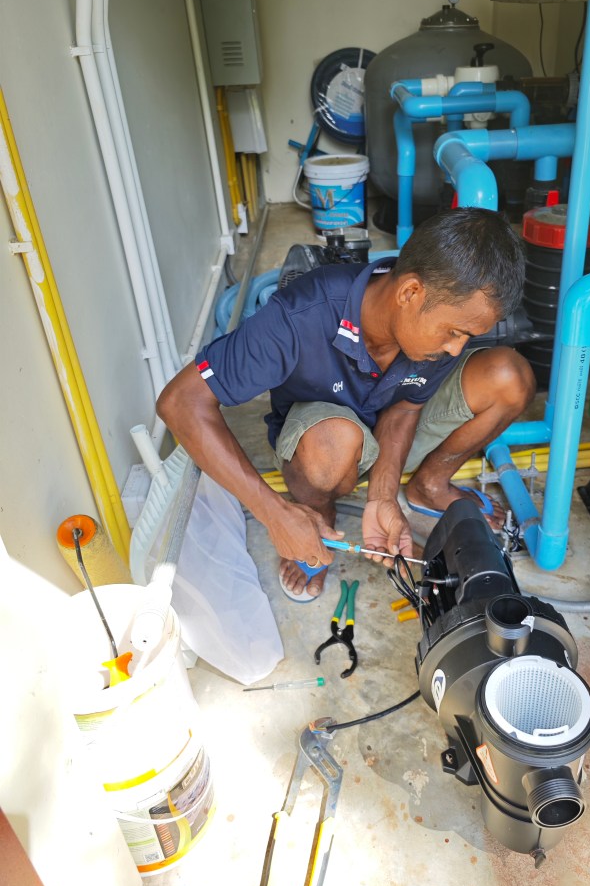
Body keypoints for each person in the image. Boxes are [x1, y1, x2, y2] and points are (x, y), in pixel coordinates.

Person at [157, 208, 536, 601]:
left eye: (467, 336)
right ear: (410, 293)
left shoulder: (434, 332)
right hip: (322, 439)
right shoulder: (302, 313)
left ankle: (429, 485)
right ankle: (318, 514)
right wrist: (275, 514)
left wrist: (383, 496)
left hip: (388, 426)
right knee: (334, 443)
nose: (456, 349)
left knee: (511, 377)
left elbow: (405, 408)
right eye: (454, 332)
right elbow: (180, 401)